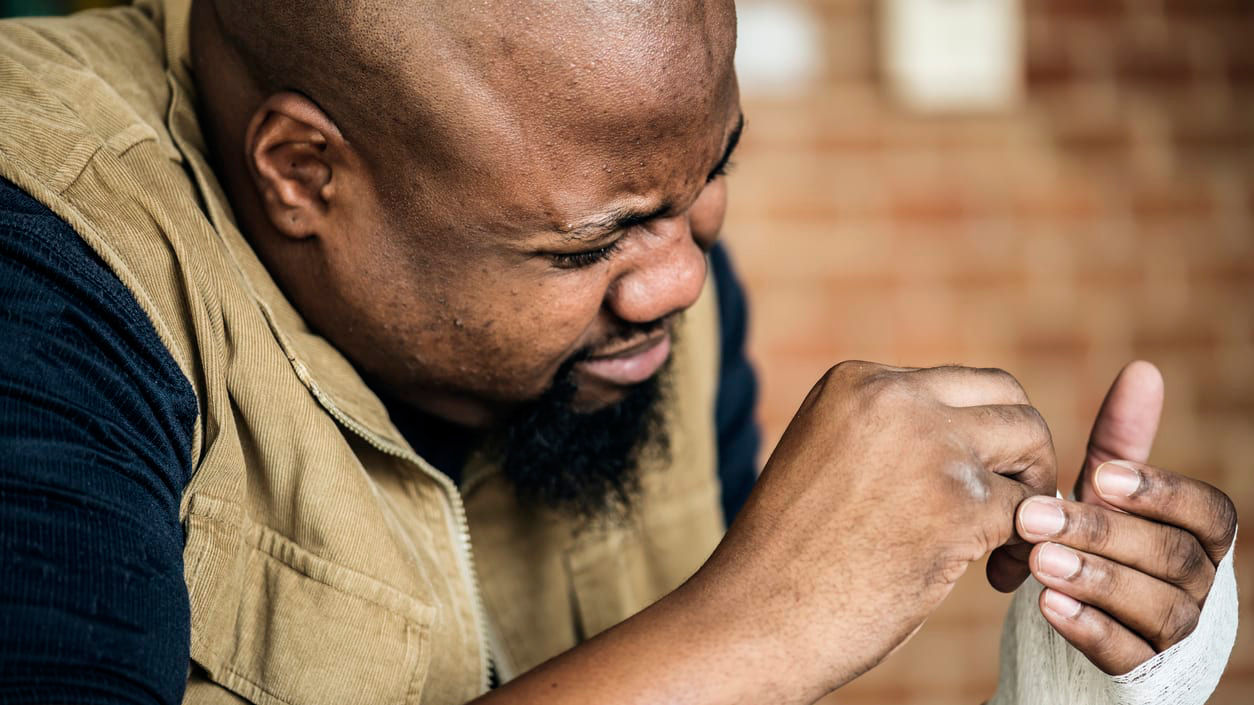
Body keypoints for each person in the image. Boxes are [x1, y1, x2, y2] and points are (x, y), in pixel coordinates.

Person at [0, 1, 1237, 703]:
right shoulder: (47, 245)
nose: (685, 276)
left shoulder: (648, 294)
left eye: (712, 172)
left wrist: (1089, 680)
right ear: (304, 172)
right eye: (592, 241)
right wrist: (758, 622)